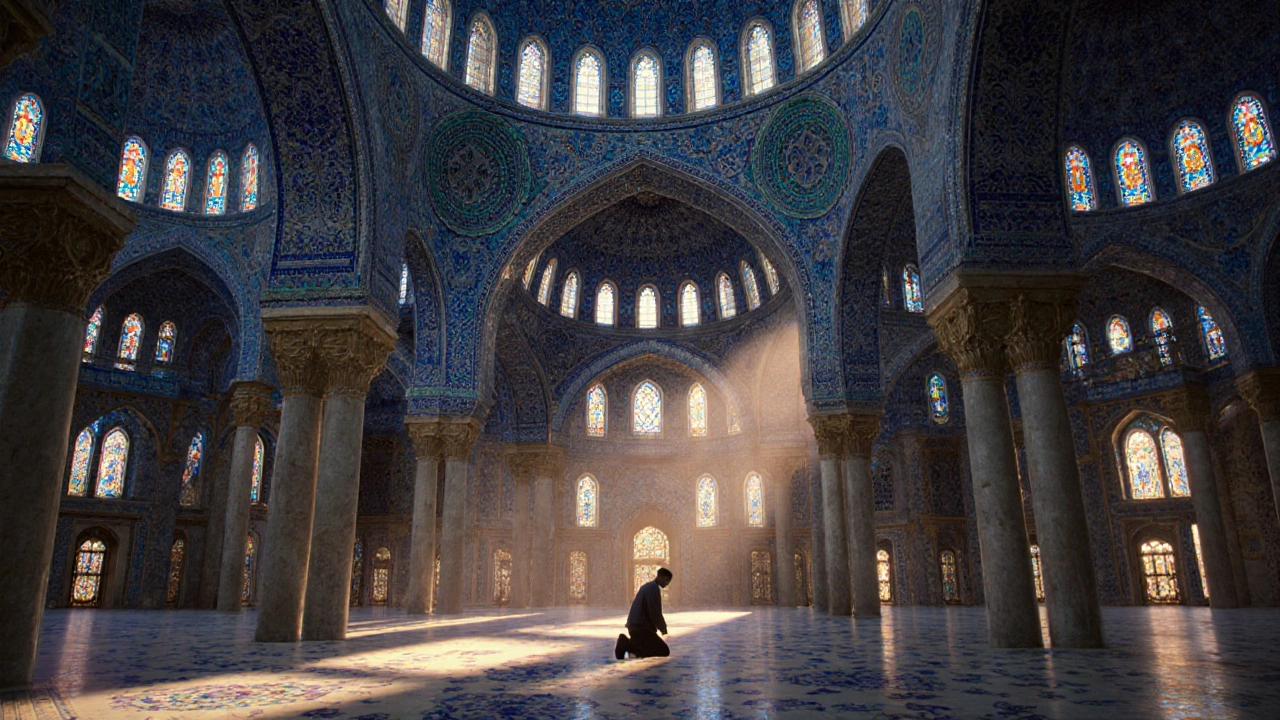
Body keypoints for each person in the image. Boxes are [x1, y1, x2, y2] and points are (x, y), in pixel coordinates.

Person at [615, 567, 672, 659]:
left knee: (651, 646)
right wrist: (663, 628)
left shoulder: (648, 586)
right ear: (662, 577)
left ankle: (633, 645)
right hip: (641, 628)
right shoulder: (653, 589)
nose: (667, 583)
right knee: (663, 650)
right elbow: (654, 612)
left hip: (635, 626)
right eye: (667, 580)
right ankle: (628, 644)